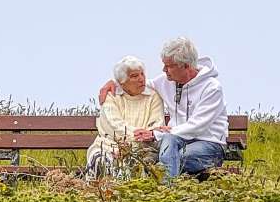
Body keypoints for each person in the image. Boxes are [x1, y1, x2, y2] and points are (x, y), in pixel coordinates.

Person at [99, 37, 228, 178]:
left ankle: (167, 192)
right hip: (174, 142)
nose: (164, 70)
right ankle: (165, 192)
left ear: (186, 65)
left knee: (173, 158)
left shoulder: (211, 88)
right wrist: (113, 82)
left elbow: (197, 125)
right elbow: (138, 84)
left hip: (208, 144)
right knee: (160, 153)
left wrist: (155, 134)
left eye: (169, 66)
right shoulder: (166, 81)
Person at [86, 55, 165, 179]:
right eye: (134, 76)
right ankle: (99, 196)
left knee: (143, 162)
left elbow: (156, 125)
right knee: (101, 162)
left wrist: (136, 143)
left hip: (143, 147)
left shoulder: (153, 96)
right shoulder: (111, 96)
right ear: (122, 82)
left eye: (142, 74)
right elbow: (114, 124)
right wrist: (136, 136)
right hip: (109, 145)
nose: (141, 79)